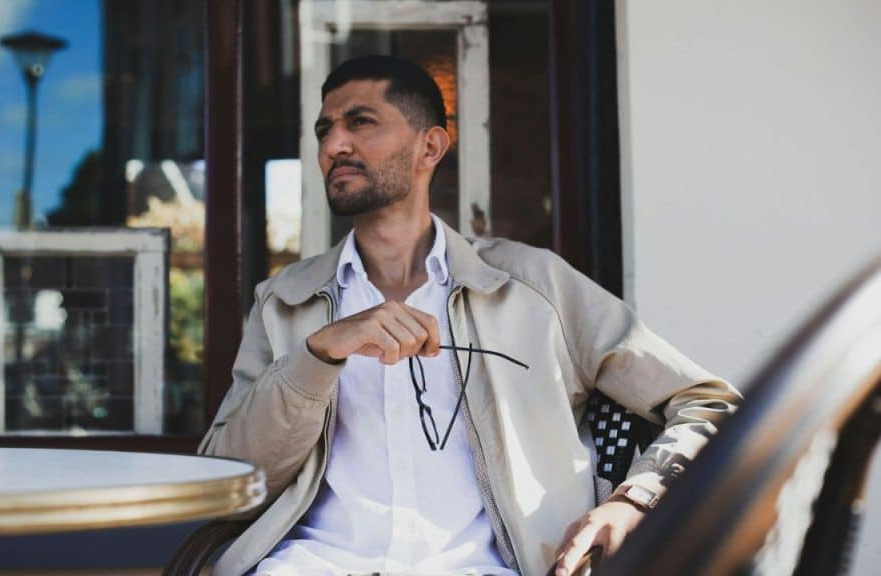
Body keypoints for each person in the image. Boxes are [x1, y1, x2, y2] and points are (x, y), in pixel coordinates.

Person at [199, 55, 742, 576]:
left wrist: (636, 500)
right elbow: (228, 482)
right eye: (324, 131)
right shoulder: (284, 302)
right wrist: (318, 355)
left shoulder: (534, 286)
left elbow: (708, 403)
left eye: (359, 122)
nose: (334, 144)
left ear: (429, 146)